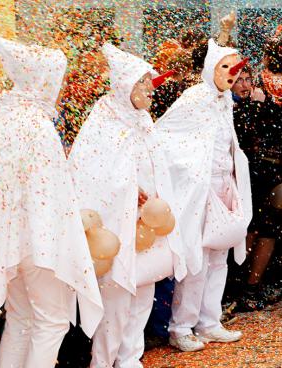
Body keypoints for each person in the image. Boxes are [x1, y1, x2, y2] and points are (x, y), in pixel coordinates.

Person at [0, 36, 104, 367]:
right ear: (42, 79)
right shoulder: (37, 125)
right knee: (52, 321)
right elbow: (52, 196)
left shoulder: (1, 115)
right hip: (40, 243)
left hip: (6, 243)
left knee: (21, 319)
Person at [68, 43, 186, 367]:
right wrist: (129, 192)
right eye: (143, 81)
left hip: (146, 224)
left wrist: (153, 194)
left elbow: (154, 163)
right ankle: (103, 362)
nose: (151, 88)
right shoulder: (103, 122)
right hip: (117, 224)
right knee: (116, 302)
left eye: (149, 80)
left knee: (144, 292)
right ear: (124, 85)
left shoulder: (143, 120)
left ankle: (131, 359)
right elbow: (89, 173)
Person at [157, 39, 252, 352]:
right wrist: (188, 174)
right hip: (201, 187)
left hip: (224, 183)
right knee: (196, 258)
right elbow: (167, 133)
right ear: (211, 67)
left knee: (218, 257)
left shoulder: (224, 100)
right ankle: (180, 326)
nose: (230, 73)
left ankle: (209, 322)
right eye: (224, 66)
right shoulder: (195, 97)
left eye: (234, 68)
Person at [231, 38, 282, 311]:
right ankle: (250, 284)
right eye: (241, 80)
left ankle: (246, 284)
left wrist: (265, 103)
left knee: (258, 227)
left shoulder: (265, 94)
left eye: (248, 79)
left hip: (260, 169)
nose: (246, 84)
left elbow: (248, 130)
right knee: (262, 228)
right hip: (267, 169)